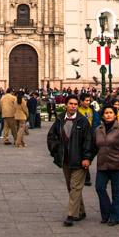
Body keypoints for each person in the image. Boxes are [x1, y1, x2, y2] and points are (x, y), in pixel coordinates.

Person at [46, 94, 95, 227]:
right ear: (66, 105)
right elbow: (51, 136)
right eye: (70, 104)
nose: (73, 106)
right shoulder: (60, 119)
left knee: (75, 187)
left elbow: (89, 140)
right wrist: (55, 149)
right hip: (65, 160)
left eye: (75, 104)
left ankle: (71, 215)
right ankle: (81, 210)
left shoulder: (83, 121)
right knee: (71, 188)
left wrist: (87, 157)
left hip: (79, 160)